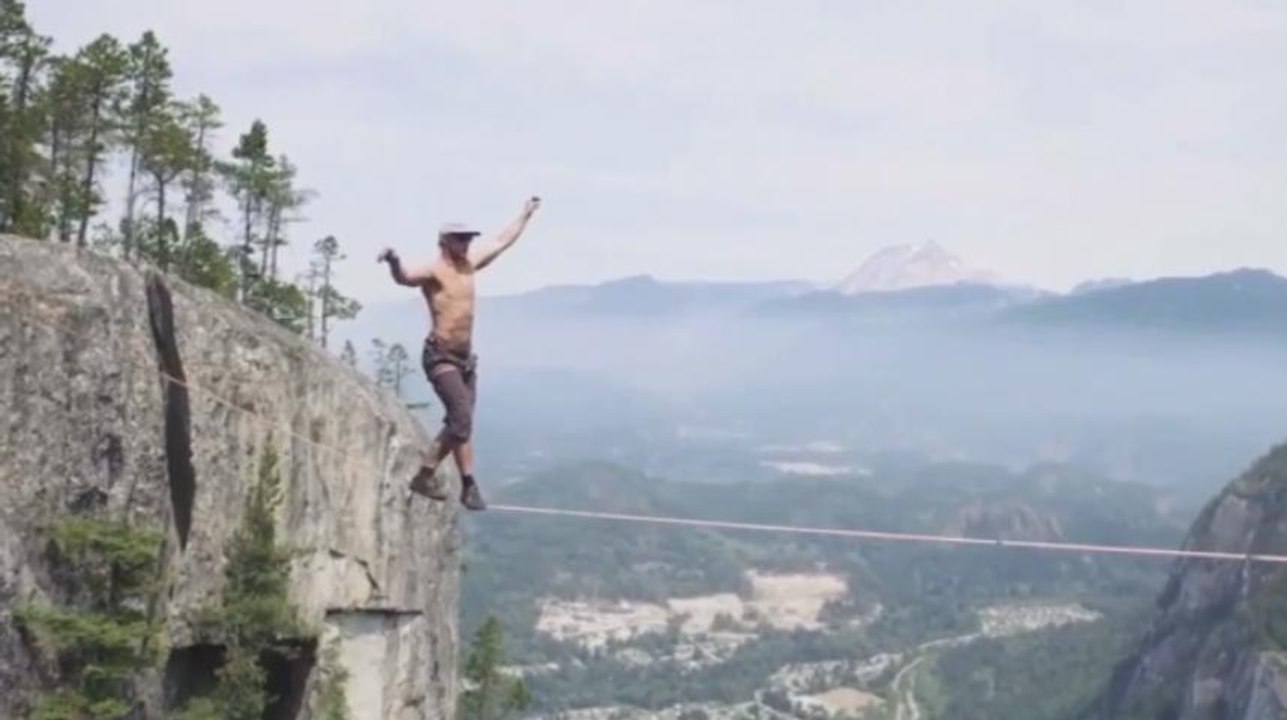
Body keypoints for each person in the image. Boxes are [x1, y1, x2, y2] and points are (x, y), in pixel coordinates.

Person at [378, 196, 542, 510]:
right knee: (461, 420)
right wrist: (393, 260)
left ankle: (468, 485)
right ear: (444, 241)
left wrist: (525, 214)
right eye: (461, 239)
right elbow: (405, 278)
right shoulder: (435, 271)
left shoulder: (469, 266)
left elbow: (501, 241)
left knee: (462, 425)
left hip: (465, 359)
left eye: (469, 239)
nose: (467, 244)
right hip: (440, 356)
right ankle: (425, 473)